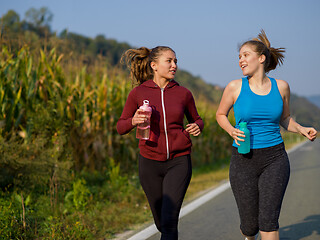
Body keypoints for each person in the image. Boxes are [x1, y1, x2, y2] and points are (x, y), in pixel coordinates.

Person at [216, 30, 317, 240]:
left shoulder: (281, 87)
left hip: (275, 158)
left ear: (261, 58)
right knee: (250, 225)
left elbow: (285, 119)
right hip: (243, 159)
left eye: (245, 55)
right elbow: (220, 114)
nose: (241, 60)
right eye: (239, 57)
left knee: (269, 222)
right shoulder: (235, 87)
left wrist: (301, 128)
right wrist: (230, 129)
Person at [117, 46, 203, 240]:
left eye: (176, 61)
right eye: (169, 61)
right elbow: (120, 127)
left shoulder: (183, 93)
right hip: (149, 163)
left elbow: (197, 119)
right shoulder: (138, 93)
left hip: (179, 161)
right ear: (154, 65)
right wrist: (133, 121)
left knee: (169, 220)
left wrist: (197, 126)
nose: (174, 65)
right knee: (161, 222)